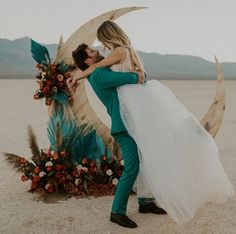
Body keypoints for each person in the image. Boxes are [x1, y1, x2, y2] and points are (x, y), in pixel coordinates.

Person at [68, 21, 235, 225]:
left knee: (146, 159)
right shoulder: (99, 74)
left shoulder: (99, 69)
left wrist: (140, 75)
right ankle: (116, 212)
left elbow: (134, 77)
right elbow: (127, 79)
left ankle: (145, 201)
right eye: (92, 52)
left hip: (132, 122)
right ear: (87, 61)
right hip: (123, 127)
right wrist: (137, 75)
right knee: (132, 166)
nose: (97, 51)